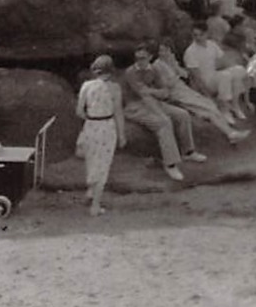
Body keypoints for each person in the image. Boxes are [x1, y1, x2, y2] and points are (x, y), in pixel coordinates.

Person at [119, 56, 203, 180]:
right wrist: (160, 111)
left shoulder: (154, 70)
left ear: (149, 57)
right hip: (134, 106)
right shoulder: (131, 72)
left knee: (182, 114)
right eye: (137, 58)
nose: (139, 61)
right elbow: (143, 95)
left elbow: (165, 92)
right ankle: (170, 164)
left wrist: (154, 93)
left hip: (155, 102)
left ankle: (188, 152)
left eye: (143, 58)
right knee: (163, 123)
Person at [150, 44, 249, 142]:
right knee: (206, 109)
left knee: (210, 105)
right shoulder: (157, 65)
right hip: (175, 93)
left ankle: (230, 132)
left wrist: (175, 66)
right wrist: (175, 73)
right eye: (161, 51)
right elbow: (165, 85)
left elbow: (185, 75)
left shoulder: (170, 61)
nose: (164, 53)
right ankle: (230, 133)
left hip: (184, 89)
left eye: (166, 50)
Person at [75, 56, 124, 217]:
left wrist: (90, 117)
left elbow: (79, 111)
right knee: (103, 165)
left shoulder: (86, 86)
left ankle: (90, 192)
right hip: (107, 126)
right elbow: (118, 113)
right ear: (111, 71)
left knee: (91, 160)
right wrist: (122, 134)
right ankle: (95, 205)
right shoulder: (115, 88)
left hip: (90, 125)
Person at [183, 22, 251, 120]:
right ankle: (225, 110)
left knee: (239, 70)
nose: (198, 37)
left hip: (213, 76)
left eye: (200, 34)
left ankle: (235, 105)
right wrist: (208, 96)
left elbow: (223, 61)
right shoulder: (190, 52)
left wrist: (235, 68)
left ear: (206, 34)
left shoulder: (211, 44)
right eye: (195, 35)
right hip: (204, 82)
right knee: (225, 75)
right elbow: (196, 78)